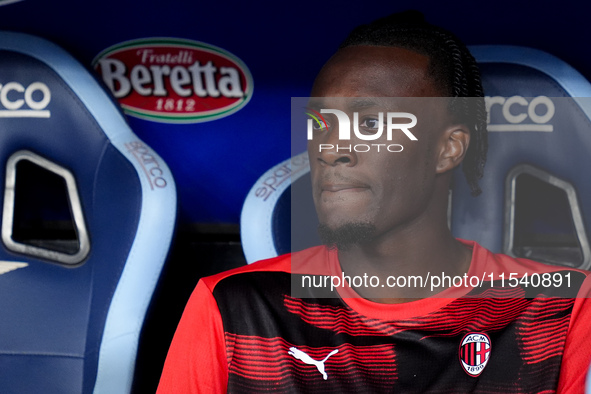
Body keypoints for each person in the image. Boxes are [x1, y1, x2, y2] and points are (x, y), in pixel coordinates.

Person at [157, 11, 591, 393]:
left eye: (369, 122)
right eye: (319, 121)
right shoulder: (234, 305)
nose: (331, 147)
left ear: (448, 149)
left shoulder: (560, 309)